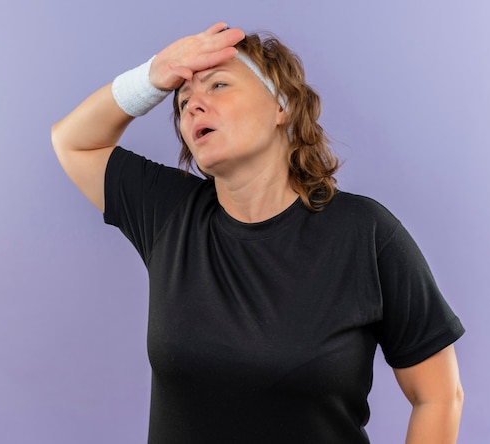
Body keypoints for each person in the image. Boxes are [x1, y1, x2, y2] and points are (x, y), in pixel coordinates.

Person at [51, 22, 464, 444]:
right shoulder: (170, 214)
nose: (193, 105)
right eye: (183, 101)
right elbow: (72, 141)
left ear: (281, 105)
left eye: (218, 85)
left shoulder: (367, 234)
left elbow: (439, 396)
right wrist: (153, 76)